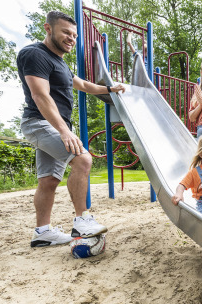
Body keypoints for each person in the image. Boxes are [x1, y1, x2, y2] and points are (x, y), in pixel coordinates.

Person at [17, 11, 126, 247]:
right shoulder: (35, 54)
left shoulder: (60, 63)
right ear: (48, 28)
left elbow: (84, 85)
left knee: (48, 181)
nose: (71, 38)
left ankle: (42, 233)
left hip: (52, 125)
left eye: (74, 35)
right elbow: (40, 95)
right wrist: (64, 131)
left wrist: (111, 88)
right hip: (40, 123)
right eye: (66, 32)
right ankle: (81, 220)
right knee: (83, 159)